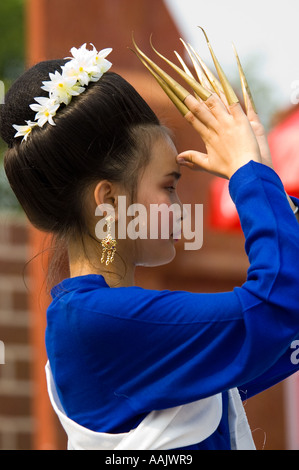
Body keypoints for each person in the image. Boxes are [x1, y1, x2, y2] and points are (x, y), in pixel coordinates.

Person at [1, 42, 299, 450]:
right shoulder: (96, 323)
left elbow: (282, 326)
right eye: (169, 186)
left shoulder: (104, 320)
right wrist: (251, 178)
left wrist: (271, 192)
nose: (180, 208)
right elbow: (274, 308)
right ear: (108, 201)